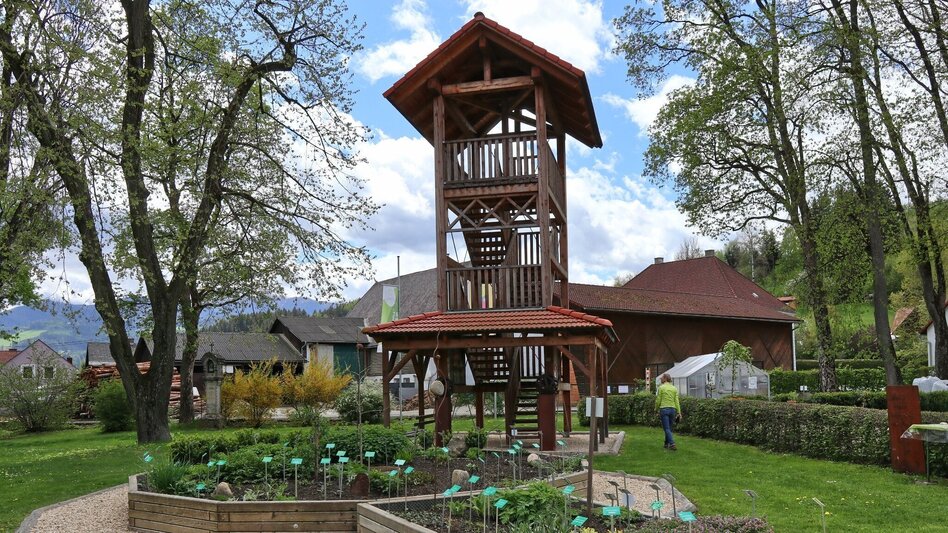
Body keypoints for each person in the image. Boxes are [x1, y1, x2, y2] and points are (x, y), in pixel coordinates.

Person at [655, 373, 682, 450]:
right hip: (672, 410)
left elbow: (658, 400)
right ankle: (666, 444)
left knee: (666, 428)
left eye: (662, 377)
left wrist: (656, 409)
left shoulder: (661, 388)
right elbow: (676, 401)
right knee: (669, 428)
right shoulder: (674, 388)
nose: (660, 379)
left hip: (664, 409)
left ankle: (672, 444)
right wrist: (679, 412)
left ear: (665, 379)